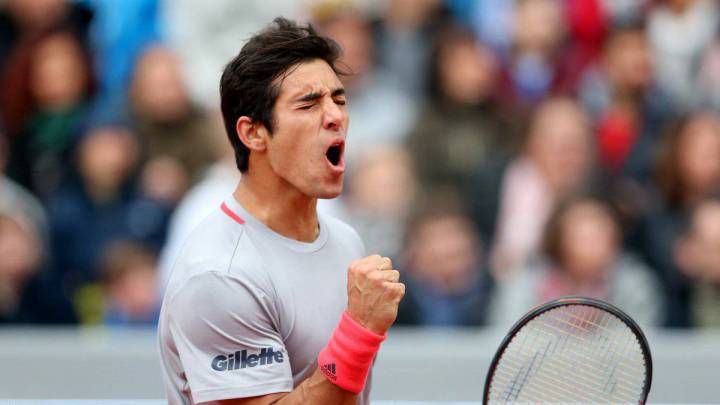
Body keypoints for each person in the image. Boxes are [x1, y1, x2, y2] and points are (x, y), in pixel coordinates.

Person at [157, 17, 405, 405]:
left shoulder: (346, 239)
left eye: (339, 99)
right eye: (308, 104)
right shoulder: (219, 273)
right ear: (252, 133)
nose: (335, 116)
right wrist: (358, 330)